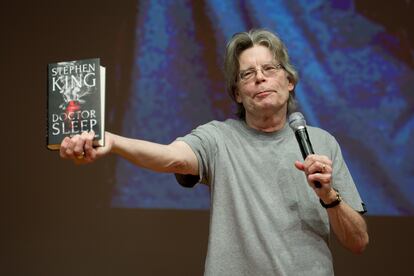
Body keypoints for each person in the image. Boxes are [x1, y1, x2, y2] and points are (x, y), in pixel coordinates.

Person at [60, 29, 369, 276]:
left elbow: (358, 242)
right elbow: (172, 157)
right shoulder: (219, 137)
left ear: (289, 82)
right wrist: (113, 141)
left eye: (269, 69)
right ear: (237, 93)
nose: (259, 77)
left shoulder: (321, 143)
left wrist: (329, 196)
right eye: (247, 74)